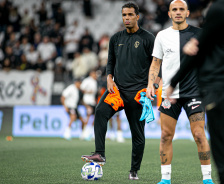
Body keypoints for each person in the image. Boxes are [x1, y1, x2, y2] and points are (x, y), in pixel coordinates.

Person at [166, 0, 224, 183]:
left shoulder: (219, 9)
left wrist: (173, 82)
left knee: (222, 151)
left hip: (219, 88)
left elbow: (198, 50)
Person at [81, 2, 155, 180]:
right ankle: (100, 153)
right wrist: (108, 78)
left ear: (137, 16)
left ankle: (134, 170)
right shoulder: (115, 38)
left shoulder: (148, 38)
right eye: (124, 15)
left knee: (137, 135)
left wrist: (153, 85)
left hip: (138, 94)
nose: (127, 18)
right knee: (100, 112)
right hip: (118, 91)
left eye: (130, 15)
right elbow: (110, 62)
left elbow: (156, 64)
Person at [146, 1, 213, 184]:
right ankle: (165, 179)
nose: (178, 12)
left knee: (199, 134)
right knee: (166, 136)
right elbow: (155, 63)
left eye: (181, 9)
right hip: (169, 94)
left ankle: (207, 178)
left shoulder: (199, 34)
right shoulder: (161, 36)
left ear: (187, 12)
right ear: (169, 14)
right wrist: (151, 84)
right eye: (174, 9)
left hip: (195, 92)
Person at [80, 69, 98, 141]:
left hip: (93, 102)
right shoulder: (87, 80)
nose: (95, 75)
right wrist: (88, 92)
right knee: (88, 115)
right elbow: (81, 89)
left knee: (94, 117)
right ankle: (84, 133)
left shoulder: (95, 81)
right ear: (91, 74)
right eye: (94, 74)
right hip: (87, 101)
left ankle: (90, 132)